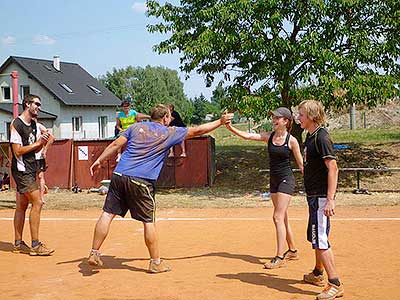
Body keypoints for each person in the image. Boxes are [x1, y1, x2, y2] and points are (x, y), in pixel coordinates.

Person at [88, 104, 233, 273]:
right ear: (164, 118)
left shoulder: (135, 127)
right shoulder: (169, 132)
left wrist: (99, 160)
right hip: (141, 181)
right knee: (148, 222)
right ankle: (155, 262)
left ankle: (94, 253)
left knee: (107, 214)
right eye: (169, 117)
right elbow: (198, 130)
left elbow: (114, 145)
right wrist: (220, 122)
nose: (170, 120)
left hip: (119, 176)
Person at [226, 107, 303, 269]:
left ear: (286, 121)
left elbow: (301, 165)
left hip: (286, 180)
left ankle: (279, 257)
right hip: (273, 180)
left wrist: (313, 181)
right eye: (273, 117)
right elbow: (247, 135)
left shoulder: (292, 141)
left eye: (277, 118)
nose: (274, 120)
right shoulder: (269, 136)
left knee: (277, 217)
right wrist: (229, 127)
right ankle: (293, 250)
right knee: (283, 217)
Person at [297, 100, 344, 299]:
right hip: (313, 197)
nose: (298, 118)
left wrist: (330, 199)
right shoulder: (310, 136)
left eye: (301, 114)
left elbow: (333, 168)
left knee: (320, 239)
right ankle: (317, 273)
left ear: (311, 116)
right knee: (315, 236)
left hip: (321, 197)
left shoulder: (321, 137)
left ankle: (335, 284)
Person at [10, 94, 55, 256]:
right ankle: (35, 244)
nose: (39, 107)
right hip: (22, 170)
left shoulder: (34, 125)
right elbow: (17, 151)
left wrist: (42, 143)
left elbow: (34, 148)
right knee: (38, 202)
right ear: (27, 104)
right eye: (36, 104)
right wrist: (38, 143)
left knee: (22, 206)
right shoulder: (17, 124)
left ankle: (18, 243)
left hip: (30, 168)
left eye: (40, 104)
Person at [33, 117, 54, 203]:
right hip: (28, 157)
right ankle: (33, 198)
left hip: (39, 157)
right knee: (31, 178)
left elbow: (52, 137)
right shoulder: (25, 127)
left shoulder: (39, 126)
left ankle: (41, 198)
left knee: (40, 176)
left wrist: (45, 150)